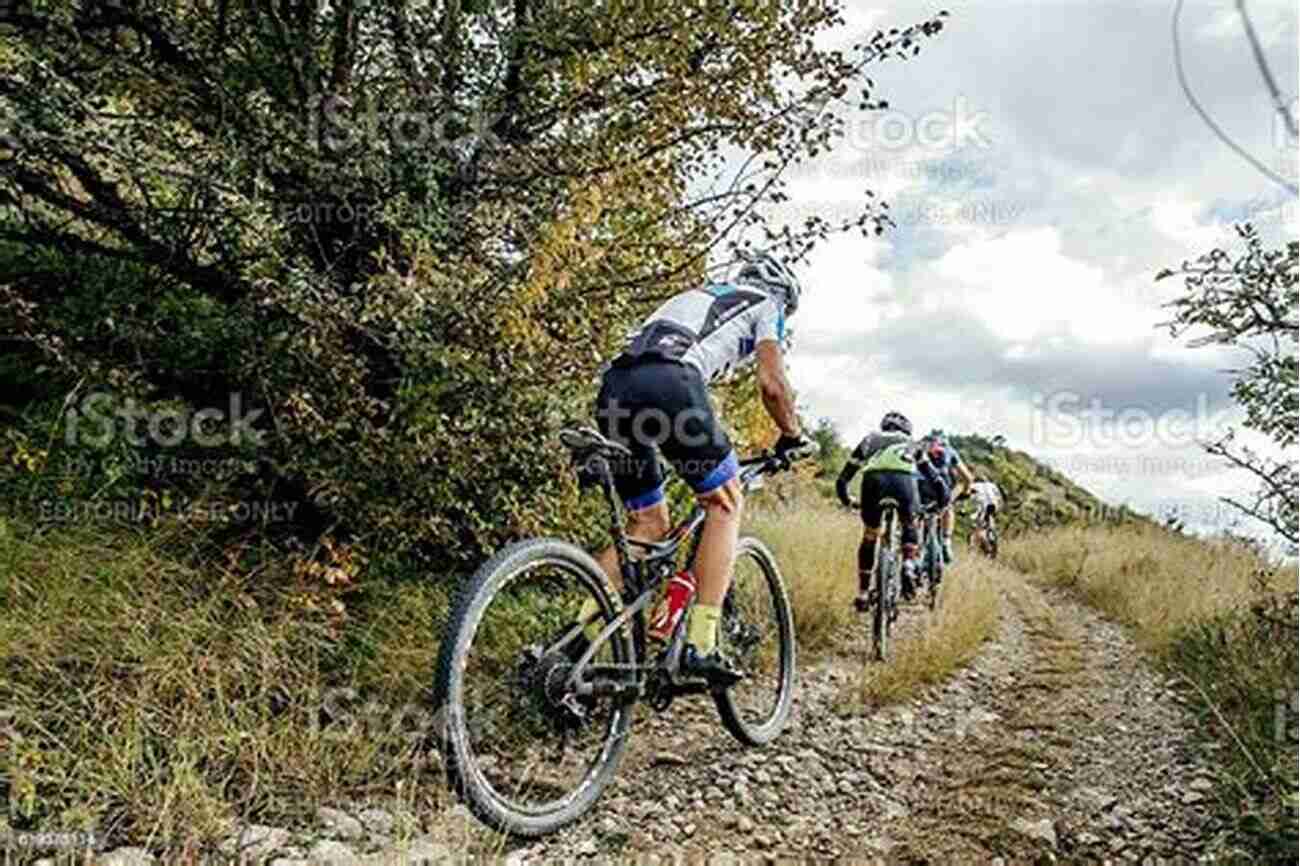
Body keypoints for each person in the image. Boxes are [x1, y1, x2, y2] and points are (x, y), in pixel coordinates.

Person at [575, 251, 811, 685]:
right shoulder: (766, 305)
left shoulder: (697, 297)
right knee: (725, 501)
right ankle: (701, 644)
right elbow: (773, 385)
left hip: (615, 388)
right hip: (670, 384)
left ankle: (577, 642)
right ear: (784, 298)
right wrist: (792, 434)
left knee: (647, 521)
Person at [836, 412, 949, 611]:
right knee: (909, 523)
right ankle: (908, 564)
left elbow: (843, 479)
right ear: (907, 430)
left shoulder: (869, 439)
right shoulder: (912, 443)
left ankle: (863, 593)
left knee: (870, 534)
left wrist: (848, 500)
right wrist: (941, 502)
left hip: (873, 483)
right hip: (904, 483)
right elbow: (935, 478)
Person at [922, 430, 973, 563]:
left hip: (920, 488)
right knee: (948, 506)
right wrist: (966, 492)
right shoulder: (950, 451)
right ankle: (946, 540)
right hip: (941, 490)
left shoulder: (921, 449)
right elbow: (968, 477)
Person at [969, 476, 1002, 548]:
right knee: (990, 518)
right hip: (994, 505)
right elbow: (999, 497)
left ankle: (986, 545)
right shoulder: (992, 485)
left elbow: (971, 497)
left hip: (983, 506)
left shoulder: (973, 485)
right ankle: (992, 532)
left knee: (978, 527)